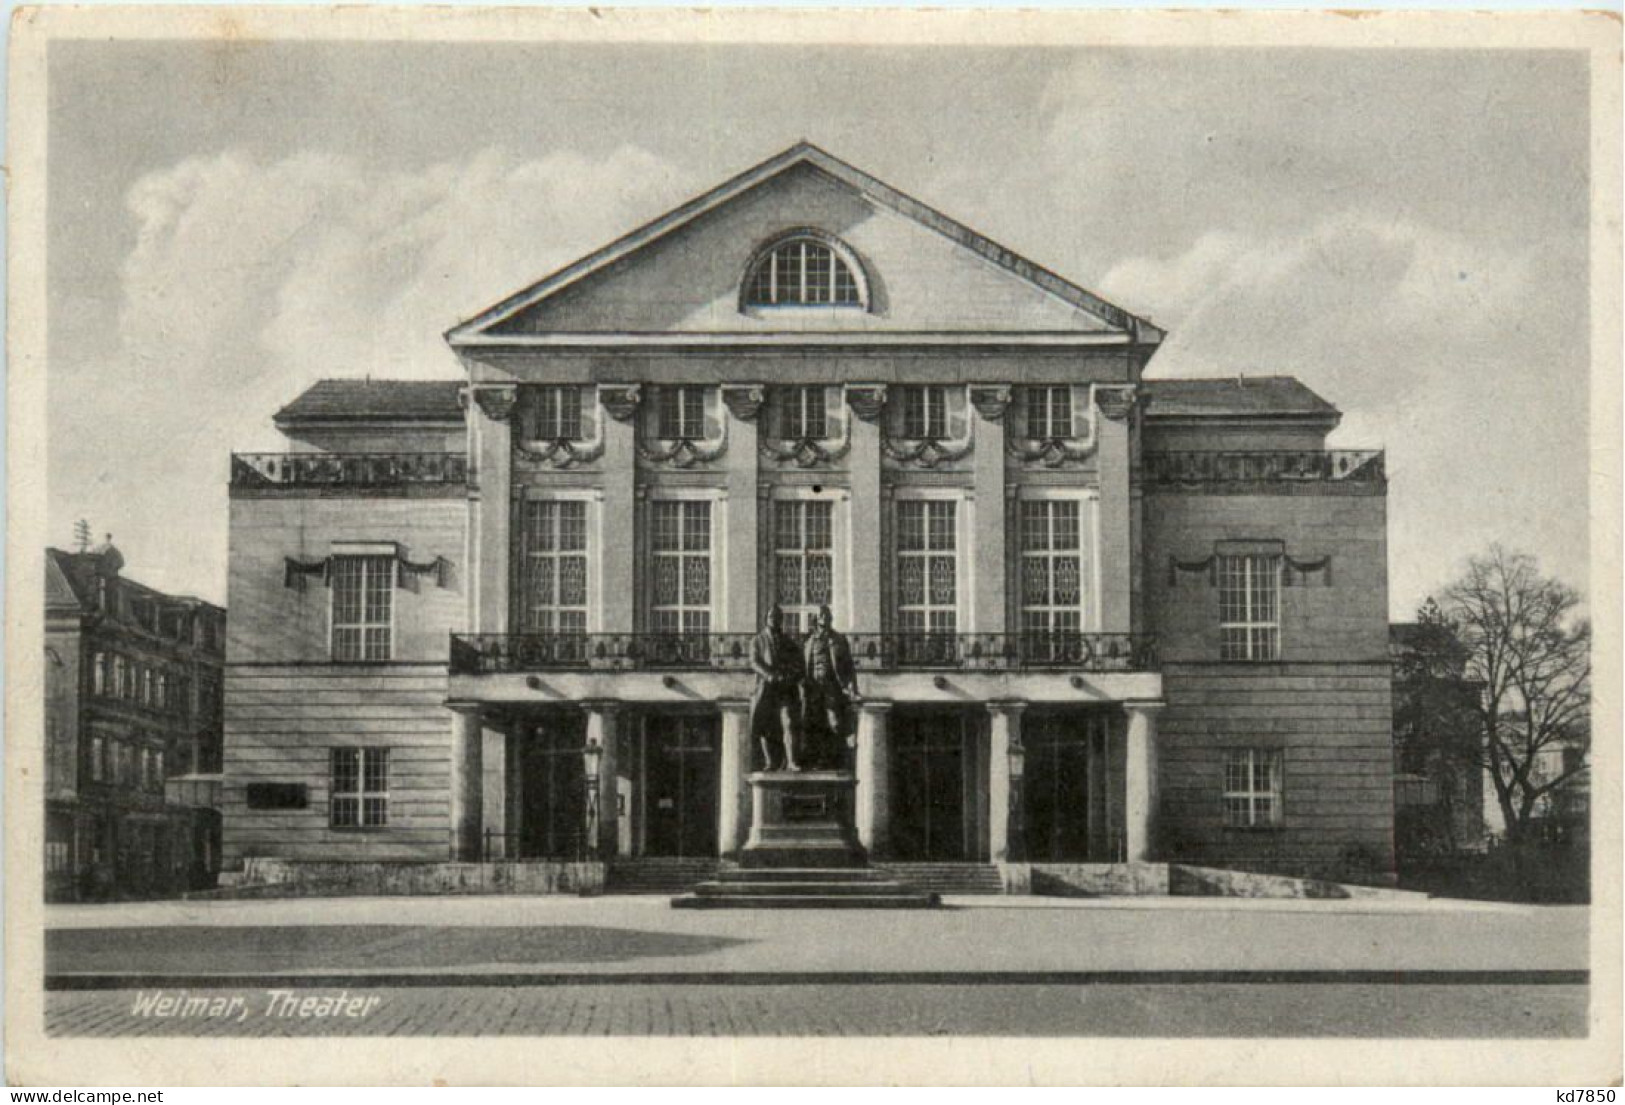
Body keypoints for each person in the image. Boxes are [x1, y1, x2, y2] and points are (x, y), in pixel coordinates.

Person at [802, 604, 860, 768]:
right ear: (817, 619)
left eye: (827, 615)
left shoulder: (839, 639)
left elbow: (849, 666)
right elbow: (804, 665)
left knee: (834, 722)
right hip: (813, 687)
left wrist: (852, 687)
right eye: (822, 615)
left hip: (831, 687)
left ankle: (836, 758)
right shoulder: (809, 640)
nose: (825, 618)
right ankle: (819, 760)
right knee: (814, 723)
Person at [749, 604, 803, 771]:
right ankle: (770, 761)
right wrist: (768, 675)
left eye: (778, 617)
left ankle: (792, 761)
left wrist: (789, 675)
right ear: (766, 619)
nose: (775, 619)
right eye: (772, 616)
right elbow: (754, 662)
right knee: (764, 725)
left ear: (781, 620)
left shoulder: (788, 642)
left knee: (788, 721)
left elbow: (799, 663)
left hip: (785, 688)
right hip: (766, 688)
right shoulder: (758, 640)